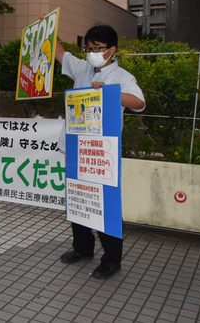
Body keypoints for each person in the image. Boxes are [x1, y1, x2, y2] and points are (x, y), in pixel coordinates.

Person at [55, 24, 145, 280]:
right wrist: (46, 30)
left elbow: (139, 103)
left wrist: (110, 93)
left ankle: (111, 259)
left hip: (101, 155)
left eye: (97, 48)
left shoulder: (122, 77)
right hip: (76, 148)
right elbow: (59, 53)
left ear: (112, 50)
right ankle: (82, 248)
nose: (91, 53)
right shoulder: (82, 68)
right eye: (88, 48)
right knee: (79, 200)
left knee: (105, 206)